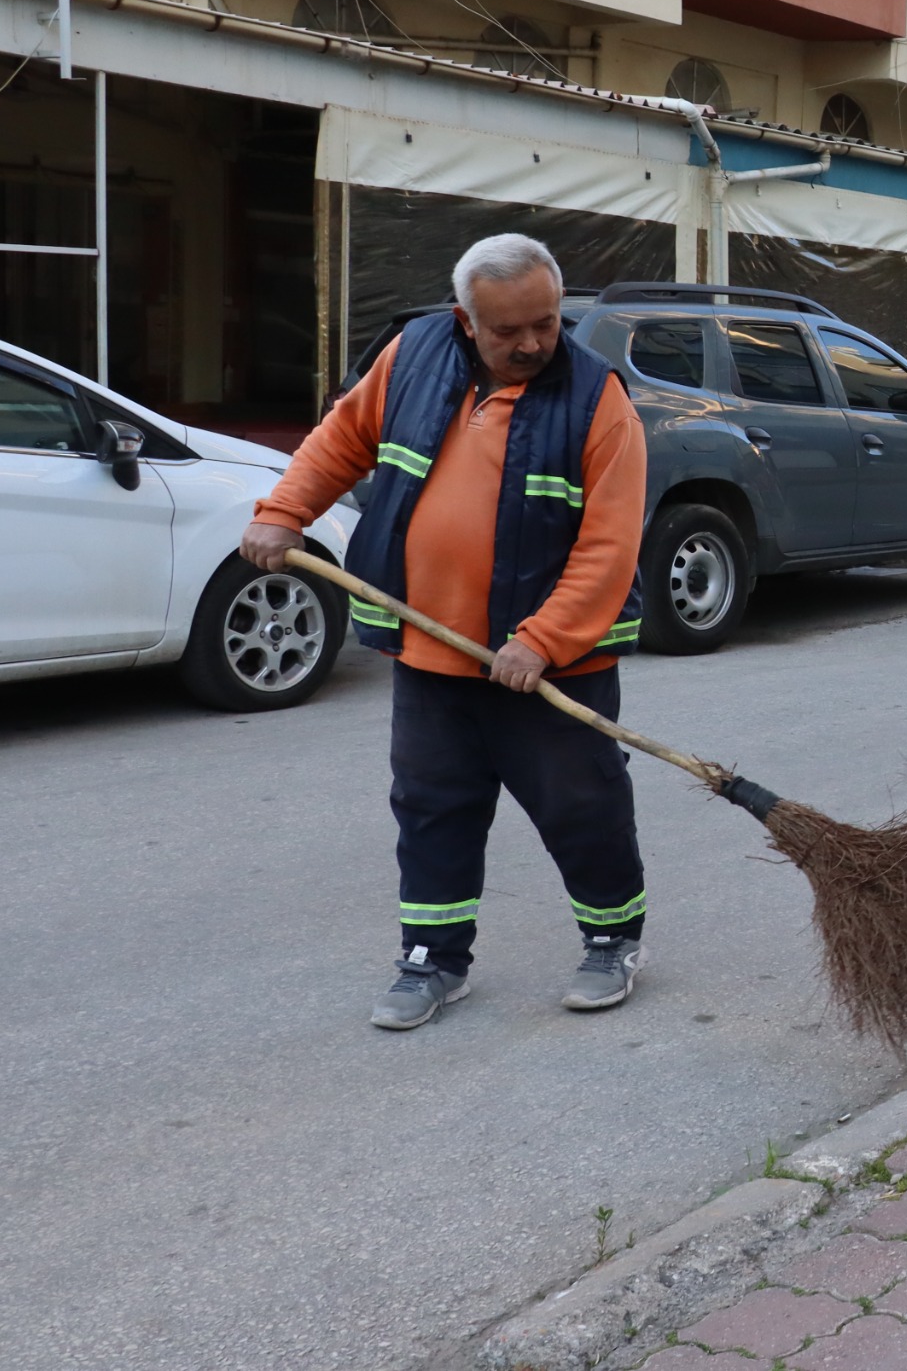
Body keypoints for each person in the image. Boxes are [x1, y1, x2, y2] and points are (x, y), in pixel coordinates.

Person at [241, 234, 649, 1030]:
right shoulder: (413, 355)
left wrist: (543, 639)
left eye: (546, 322)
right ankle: (432, 960)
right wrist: (283, 511)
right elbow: (342, 439)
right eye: (509, 330)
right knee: (432, 806)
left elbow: (610, 545)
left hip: (547, 662)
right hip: (431, 650)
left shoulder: (599, 401)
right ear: (465, 319)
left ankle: (612, 940)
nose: (533, 343)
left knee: (581, 804)